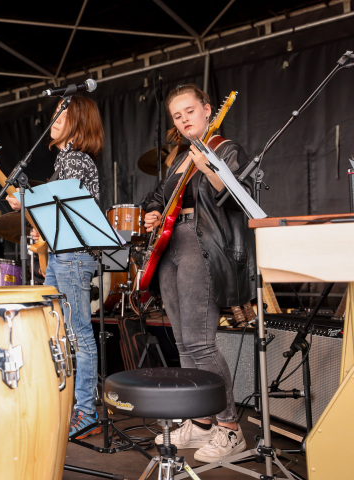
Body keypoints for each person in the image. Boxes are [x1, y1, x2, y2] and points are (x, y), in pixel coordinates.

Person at [142, 84, 256, 462]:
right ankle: (203, 420)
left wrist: (207, 161)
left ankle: (230, 428)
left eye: (189, 111)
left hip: (203, 243)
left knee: (202, 343)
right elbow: (158, 195)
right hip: (171, 244)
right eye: (177, 115)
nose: (184, 119)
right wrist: (152, 213)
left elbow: (237, 195)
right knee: (184, 342)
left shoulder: (226, 147)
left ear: (208, 110)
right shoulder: (179, 158)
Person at [7, 95, 103, 439]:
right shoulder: (65, 161)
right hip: (64, 254)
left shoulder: (76, 160)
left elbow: (69, 206)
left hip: (74, 256)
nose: (56, 116)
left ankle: (87, 412)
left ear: (79, 119)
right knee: (62, 332)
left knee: (78, 334)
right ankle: (70, 404)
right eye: (55, 110)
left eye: (64, 111)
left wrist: (27, 199)